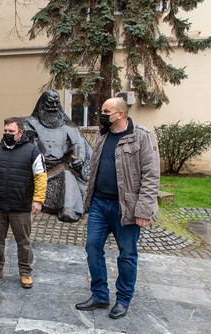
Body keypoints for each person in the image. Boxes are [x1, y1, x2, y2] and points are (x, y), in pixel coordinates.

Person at [75, 97, 160, 319]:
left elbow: (151, 176)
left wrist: (144, 210)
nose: (101, 114)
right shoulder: (102, 135)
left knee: (127, 255)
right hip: (99, 204)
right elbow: (94, 168)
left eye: (106, 111)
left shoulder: (142, 136)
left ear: (120, 114)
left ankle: (123, 300)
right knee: (92, 248)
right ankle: (100, 294)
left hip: (127, 207)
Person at [0, 117, 47, 288]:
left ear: (21, 133)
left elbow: (41, 178)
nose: (7, 134)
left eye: (11, 132)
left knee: (23, 241)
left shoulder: (32, 152)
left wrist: (38, 200)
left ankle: (25, 272)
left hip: (20, 206)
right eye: (5, 131)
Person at [23, 90, 92, 222]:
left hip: (61, 167)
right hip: (38, 172)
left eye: (56, 103)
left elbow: (77, 145)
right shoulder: (30, 123)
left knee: (66, 172)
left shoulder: (69, 126)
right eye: (50, 104)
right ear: (42, 105)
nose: (53, 107)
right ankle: (68, 208)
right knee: (65, 172)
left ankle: (68, 208)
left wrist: (78, 159)